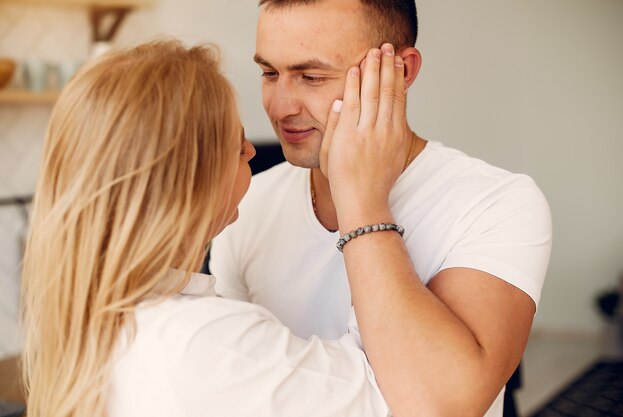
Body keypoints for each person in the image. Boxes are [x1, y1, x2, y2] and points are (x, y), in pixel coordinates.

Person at [19, 40, 420, 417]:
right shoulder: (205, 341)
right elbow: (394, 394)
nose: (251, 151)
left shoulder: (92, 320)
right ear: (190, 179)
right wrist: (363, 201)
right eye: (236, 142)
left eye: (311, 77)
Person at [208, 1, 553, 416]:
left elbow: (443, 406)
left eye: (312, 76)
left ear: (400, 71)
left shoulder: (495, 203)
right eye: (269, 73)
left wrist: (363, 202)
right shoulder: (244, 205)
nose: (281, 107)